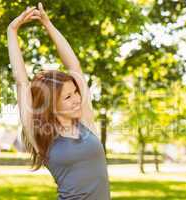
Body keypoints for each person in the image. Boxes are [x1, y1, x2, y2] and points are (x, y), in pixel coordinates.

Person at [7, 3, 111, 199]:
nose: (77, 99)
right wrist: (12, 31)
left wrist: (47, 23)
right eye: (68, 97)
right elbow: (22, 82)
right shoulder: (40, 135)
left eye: (76, 92)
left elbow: (74, 67)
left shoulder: (85, 122)